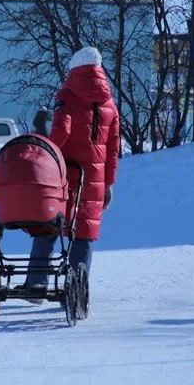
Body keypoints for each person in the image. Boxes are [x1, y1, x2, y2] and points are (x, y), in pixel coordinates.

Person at [23, 45, 120, 290]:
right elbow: (113, 150)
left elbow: (61, 133)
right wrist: (108, 184)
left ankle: (37, 283)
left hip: (64, 175)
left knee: (48, 224)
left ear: (74, 68)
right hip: (94, 180)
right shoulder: (110, 102)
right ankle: (77, 289)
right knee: (84, 232)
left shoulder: (67, 95)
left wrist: (44, 156)